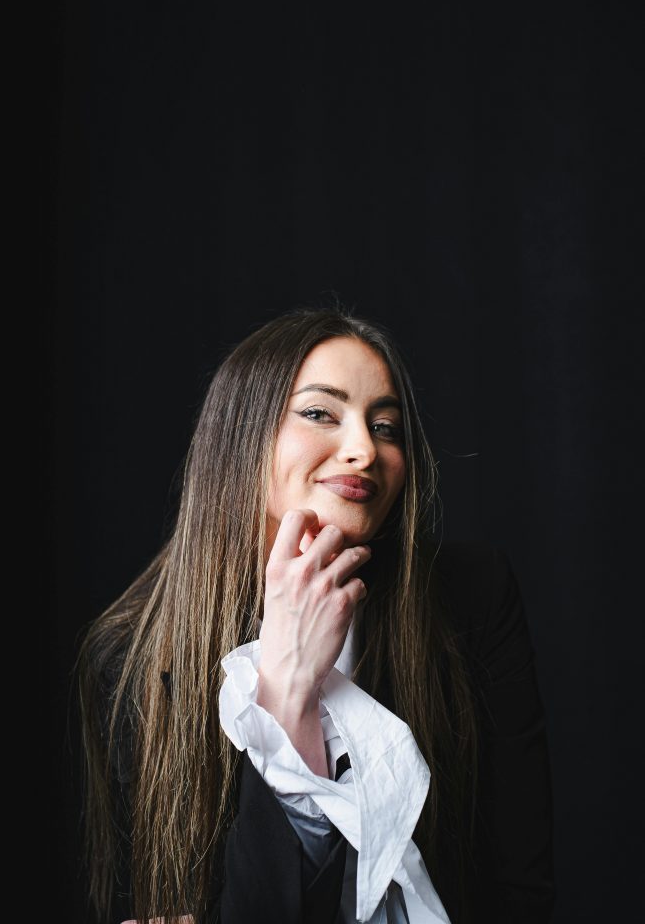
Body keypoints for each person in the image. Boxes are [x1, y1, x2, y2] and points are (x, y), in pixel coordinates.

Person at [76, 305, 556, 924]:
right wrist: (288, 690)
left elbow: (519, 889)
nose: (364, 449)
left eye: (385, 427)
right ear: (241, 435)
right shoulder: (128, 654)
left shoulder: (471, 598)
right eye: (319, 414)